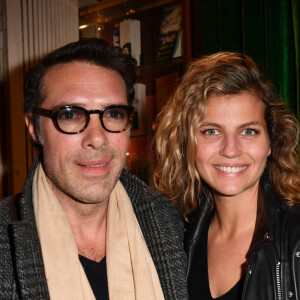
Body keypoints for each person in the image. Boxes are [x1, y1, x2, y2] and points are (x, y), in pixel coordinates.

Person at [0, 38, 188, 300]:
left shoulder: (167, 219)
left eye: (113, 114)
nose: (97, 139)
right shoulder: (4, 239)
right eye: (69, 115)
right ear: (34, 128)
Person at [154, 52, 300, 299]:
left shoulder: (296, 240)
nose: (230, 150)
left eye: (249, 131)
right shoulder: (176, 239)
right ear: (187, 143)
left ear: (271, 142)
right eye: (211, 131)